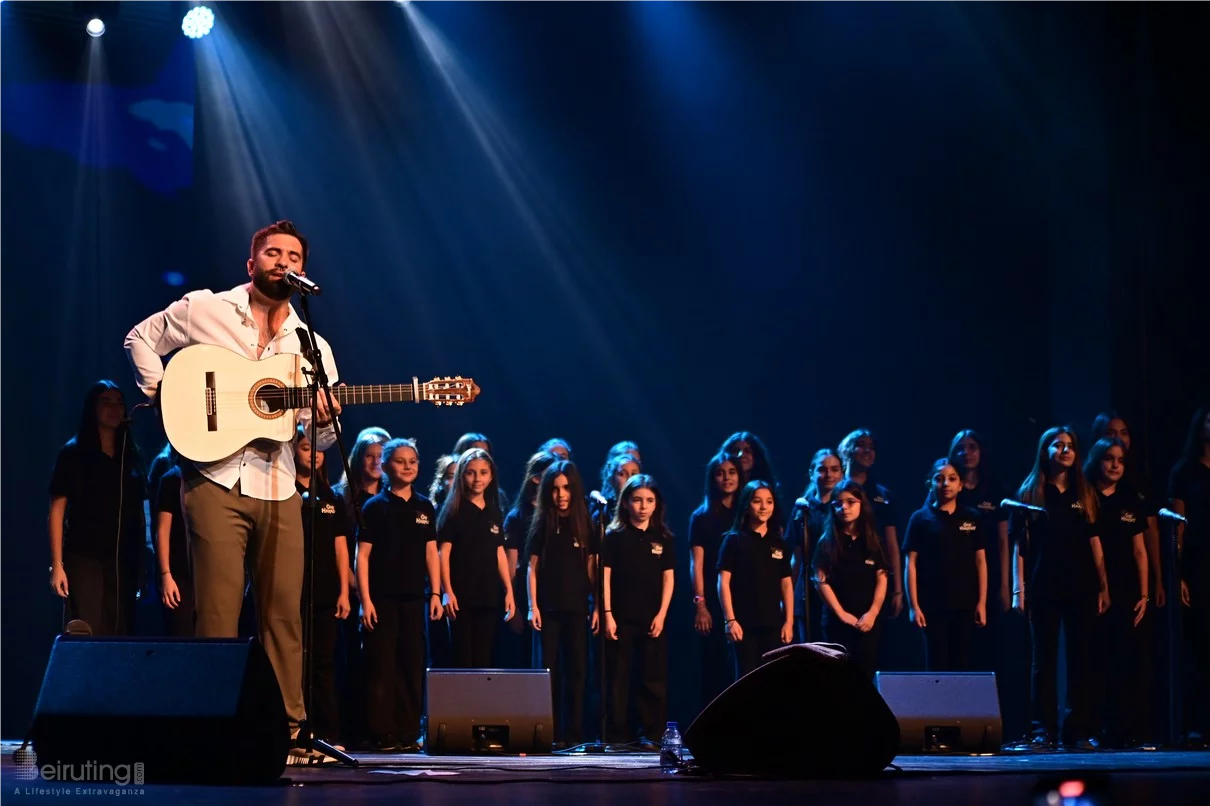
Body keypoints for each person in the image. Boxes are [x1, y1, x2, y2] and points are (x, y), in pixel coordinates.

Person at [124, 220, 342, 747]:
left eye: (292, 256)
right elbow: (141, 338)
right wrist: (165, 395)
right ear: (252, 263)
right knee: (218, 616)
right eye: (272, 253)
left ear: (303, 272)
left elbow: (324, 439)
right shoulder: (207, 308)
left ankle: (289, 732)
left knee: (282, 617)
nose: (282, 262)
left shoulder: (312, 346)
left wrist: (325, 418)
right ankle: (211, 731)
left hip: (280, 485)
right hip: (213, 479)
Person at [1011, 427, 1109, 750]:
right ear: (1045, 451)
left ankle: (1076, 731)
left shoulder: (1085, 493)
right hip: (1043, 586)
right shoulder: (1031, 492)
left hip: (1081, 586)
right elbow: (1020, 548)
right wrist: (1017, 590)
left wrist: (1103, 586)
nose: (1066, 450)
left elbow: (1095, 542)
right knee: (1044, 661)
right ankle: (1044, 730)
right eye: (1059, 445)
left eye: (1070, 446)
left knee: (1081, 659)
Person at [357, 438, 442, 753]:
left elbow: (431, 552)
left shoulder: (424, 507)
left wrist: (435, 592)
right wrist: (365, 600)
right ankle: (383, 732)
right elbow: (362, 556)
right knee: (382, 665)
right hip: (382, 599)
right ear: (386, 466)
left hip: (414, 598)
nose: (408, 466)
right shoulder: (375, 507)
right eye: (401, 461)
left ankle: (408, 732)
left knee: (411, 663)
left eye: (413, 461)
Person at [48, 380, 147, 636]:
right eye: (106, 402)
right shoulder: (73, 453)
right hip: (84, 556)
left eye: (119, 403)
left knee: (121, 629)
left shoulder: (131, 455)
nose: (114, 409)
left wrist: (143, 563)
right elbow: (57, 511)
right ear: (92, 408)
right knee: (87, 628)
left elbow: (140, 511)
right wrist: (57, 564)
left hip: (122, 559)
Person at [526, 461, 598, 748]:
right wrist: (532, 605)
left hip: (578, 608)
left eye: (566, 488)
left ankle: (574, 732)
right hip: (549, 610)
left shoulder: (585, 523)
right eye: (555, 489)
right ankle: (548, 731)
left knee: (578, 671)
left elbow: (592, 568)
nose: (561, 494)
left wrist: (597, 605)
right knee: (548, 671)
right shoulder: (542, 521)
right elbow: (531, 567)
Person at [1085, 437, 1150, 748]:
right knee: (1096, 662)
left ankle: (1124, 730)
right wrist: (1101, 587)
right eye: (1108, 459)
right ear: (1097, 461)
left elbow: (1140, 550)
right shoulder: (1086, 496)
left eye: (1120, 460)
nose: (1114, 465)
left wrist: (1145, 594)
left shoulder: (1129, 499)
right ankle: (1095, 729)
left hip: (1127, 591)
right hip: (1093, 590)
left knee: (1124, 661)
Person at [601, 474, 675, 747]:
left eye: (649, 500)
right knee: (618, 679)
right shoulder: (613, 536)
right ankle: (617, 735)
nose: (643, 506)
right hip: (620, 618)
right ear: (626, 503)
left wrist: (662, 614)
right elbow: (605, 577)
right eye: (637, 500)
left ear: (657, 504)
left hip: (651, 618)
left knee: (652, 679)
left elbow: (669, 578)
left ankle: (651, 734)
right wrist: (607, 613)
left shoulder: (663, 538)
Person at [294, 427, 352, 750]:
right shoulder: (286, 493)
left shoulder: (333, 497)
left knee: (324, 663)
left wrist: (344, 591)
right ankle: (295, 729)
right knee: (295, 661)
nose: (313, 454)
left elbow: (341, 547)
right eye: (306, 448)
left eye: (317, 450)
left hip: (327, 593)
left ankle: (328, 734)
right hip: (294, 592)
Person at [903, 458, 988, 672]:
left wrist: (982, 603)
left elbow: (980, 562)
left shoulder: (972, 517)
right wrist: (914, 606)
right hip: (932, 605)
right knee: (936, 663)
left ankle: (959, 707)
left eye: (952, 479)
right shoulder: (920, 519)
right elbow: (910, 565)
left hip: (964, 604)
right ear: (930, 484)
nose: (946, 484)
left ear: (961, 485)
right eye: (939, 479)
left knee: (961, 663)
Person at [437, 449, 516, 667]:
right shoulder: (454, 511)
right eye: (471, 473)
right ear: (462, 475)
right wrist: (447, 592)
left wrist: (508, 590)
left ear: (491, 476)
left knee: (484, 656)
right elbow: (443, 554)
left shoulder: (494, 511)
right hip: (461, 596)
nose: (477, 478)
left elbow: (499, 551)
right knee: (462, 656)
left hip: (488, 594)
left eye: (483, 473)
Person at [811, 480, 888, 680]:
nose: (844, 507)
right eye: (838, 503)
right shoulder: (827, 542)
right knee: (838, 678)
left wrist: (872, 613)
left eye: (850, 502)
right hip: (837, 622)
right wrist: (841, 613)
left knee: (864, 676)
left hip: (867, 621)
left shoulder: (872, 540)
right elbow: (821, 580)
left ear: (861, 504)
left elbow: (882, 577)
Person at [717, 481, 794, 678]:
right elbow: (723, 581)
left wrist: (789, 621)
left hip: (772, 623)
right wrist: (730, 620)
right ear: (746, 505)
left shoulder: (779, 542)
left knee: (771, 679)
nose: (763, 507)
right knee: (745, 679)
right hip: (744, 624)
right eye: (757, 501)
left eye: (769, 502)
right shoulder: (734, 539)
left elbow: (786, 584)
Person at [1168, 405, 1210, 749]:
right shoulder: (1185, 471)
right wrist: (1179, 573)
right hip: (1199, 567)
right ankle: (1197, 725)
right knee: (1200, 647)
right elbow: (1178, 530)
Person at [689, 452, 740, 705]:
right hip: (712, 600)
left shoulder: (745, 515)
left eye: (732, 472)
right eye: (720, 473)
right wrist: (701, 605)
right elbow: (696, 565)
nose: (726, 478)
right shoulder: (702, 517)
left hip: (743, 601)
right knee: (713, 671)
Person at [788, 448, 844, 643]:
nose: (828, 474)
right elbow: (796, 557)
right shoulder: (803, 509)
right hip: (809, 592)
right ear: (811, 473)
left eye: (834, 469)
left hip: (842, 588)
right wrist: (788, 596)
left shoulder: (846, 506)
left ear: (842, 472)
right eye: (822, 469)